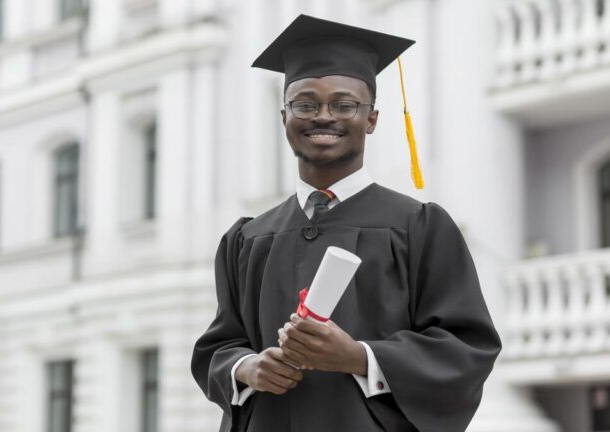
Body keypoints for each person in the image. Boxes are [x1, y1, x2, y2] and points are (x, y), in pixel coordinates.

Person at [191, 14, 501, 432]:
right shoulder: (247, 238)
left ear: (371, 118)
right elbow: (219, 345)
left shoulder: (418, 226)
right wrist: (246, 368)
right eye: (304, 103)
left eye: (343, 104)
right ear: (284, 117)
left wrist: (359, 357)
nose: (323, 116)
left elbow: (467, 348)